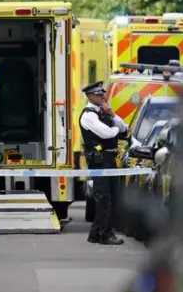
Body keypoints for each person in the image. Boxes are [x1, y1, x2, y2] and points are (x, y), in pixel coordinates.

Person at [80, 80, 127, 245]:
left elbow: (124, 127)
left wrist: (112, 115)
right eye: (99, 95)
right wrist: (115, 131)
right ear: (90, 96)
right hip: (99, 162)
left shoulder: (104, 112)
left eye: (103, 94)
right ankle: (106, 234)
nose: (103, 97)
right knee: (104, 199)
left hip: (109, 159)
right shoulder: (89, 115)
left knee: (110, 197)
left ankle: (95, 234)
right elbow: (107, 133)